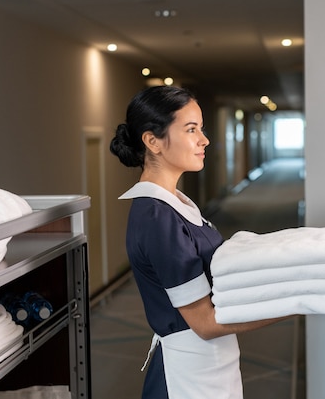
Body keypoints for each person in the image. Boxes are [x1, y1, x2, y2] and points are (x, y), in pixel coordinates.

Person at [109, 85, 286, 399]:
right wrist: (294, 303)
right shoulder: (157, 217)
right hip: (186, 376)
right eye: (191, 129)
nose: (204, 139)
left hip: (210, 365)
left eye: (201, 129)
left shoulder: (175, 203)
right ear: (152, 141)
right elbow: (204, 322)